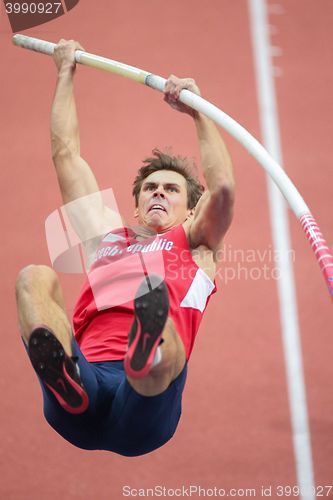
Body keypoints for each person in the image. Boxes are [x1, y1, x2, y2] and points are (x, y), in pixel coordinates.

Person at [15, 40, 235, 456]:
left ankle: (145, 353)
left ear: (192, 211)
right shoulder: (107, 240)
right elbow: (66, 155)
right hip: (87, 382)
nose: (158, 193)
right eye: (150, 188)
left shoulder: (198, 247)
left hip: (145, 411)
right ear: (134, 204)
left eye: (171, 190)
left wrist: (198, 112)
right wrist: (65, 73)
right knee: (33, 278)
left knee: (159, 322)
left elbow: (222, 189)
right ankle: (66, 377)